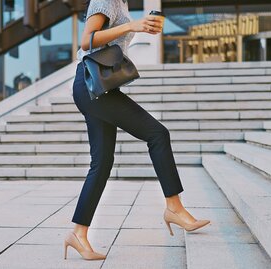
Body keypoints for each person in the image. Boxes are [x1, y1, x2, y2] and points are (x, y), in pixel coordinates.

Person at [64, 0, 210, 260]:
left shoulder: (119, 1)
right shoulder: (105, 0)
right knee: (157, 134)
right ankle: (174, 208)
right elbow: (87, 41)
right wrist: (133, 26)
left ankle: (78, 233)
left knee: (101, 164)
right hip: (92, 85)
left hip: (98, 88)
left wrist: (139, 28)